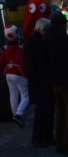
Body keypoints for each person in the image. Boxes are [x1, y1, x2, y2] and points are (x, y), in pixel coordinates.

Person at [24, 17, 54, 147]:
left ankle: (41, 137)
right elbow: (41, 63)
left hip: (36, 82)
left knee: (42, 110)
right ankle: (42, 137)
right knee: (44, 111)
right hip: (41, 82)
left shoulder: (30, 42)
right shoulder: (39, 42)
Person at [0, 25, 29, 126]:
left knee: (13, 95)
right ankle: (18, 114)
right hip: (18, 74)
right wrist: (26, 75)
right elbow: (23, 63)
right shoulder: (19, 49)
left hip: (8, 74)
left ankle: (15, 116)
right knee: (26, 96)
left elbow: (0, 64)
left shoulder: (5, 50)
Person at [47, 10, 68, 154]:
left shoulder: (46, 38)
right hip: (65, 80)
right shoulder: (64, 39)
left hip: (53, 81)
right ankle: (66, 144)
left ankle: (59, 142)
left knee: (59, 111)